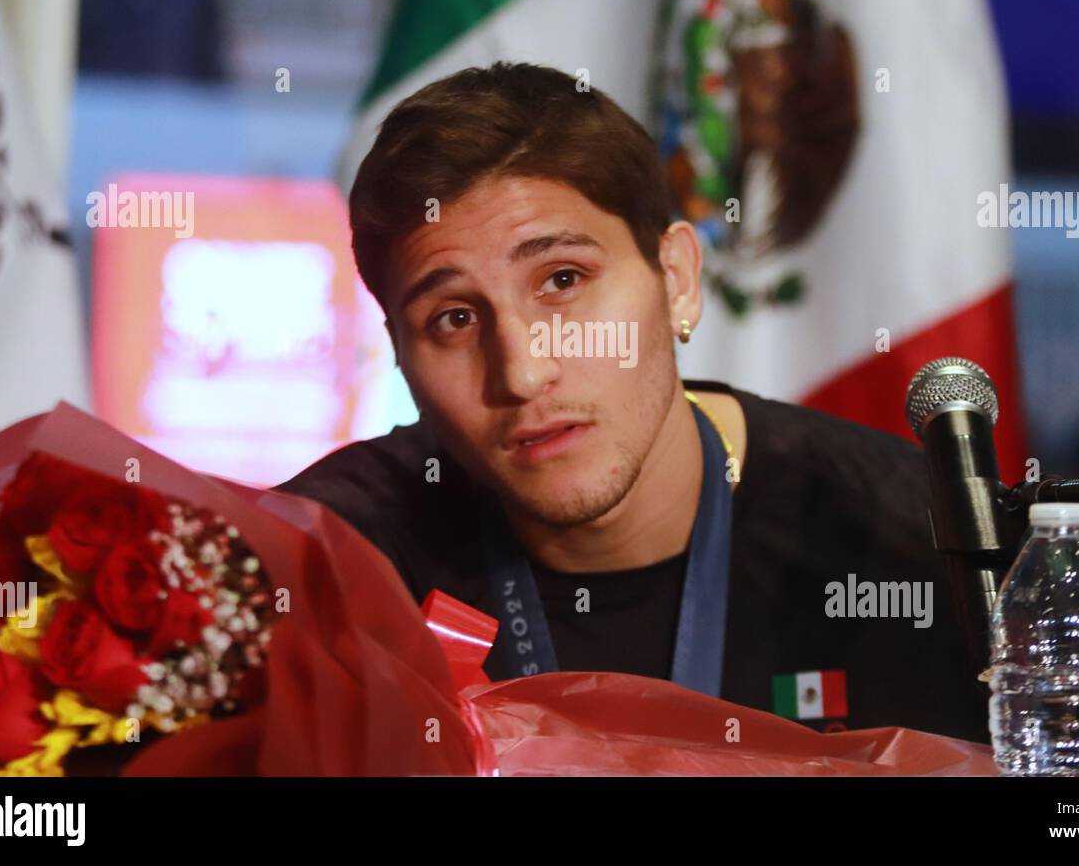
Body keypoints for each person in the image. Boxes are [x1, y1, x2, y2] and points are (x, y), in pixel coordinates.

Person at [276, 62, 987, 743]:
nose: (522, 374)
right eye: (454, 319)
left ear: (675, 278)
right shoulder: (322, 569)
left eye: (562, 280)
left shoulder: (930, 544)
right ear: (399, 352)